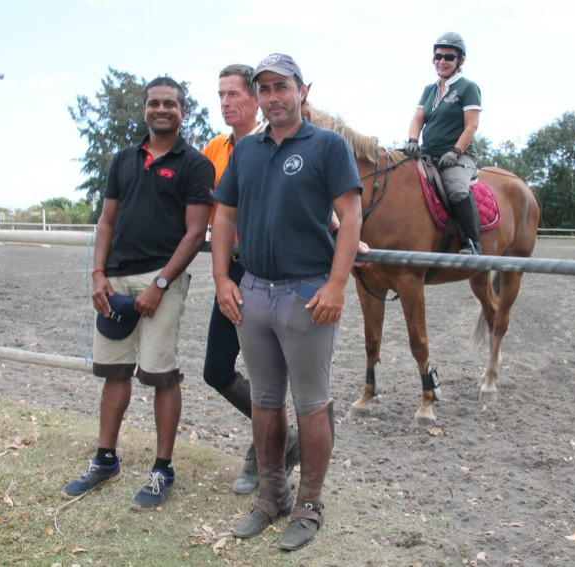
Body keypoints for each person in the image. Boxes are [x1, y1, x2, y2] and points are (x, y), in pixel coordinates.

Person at [211, 53, 362, 551]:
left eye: (283, 86)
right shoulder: (247, 152)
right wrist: (221, 280)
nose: (274, 96)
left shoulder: (328, 146)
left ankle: (310, 503)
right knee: (264, 401)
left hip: (306, 295)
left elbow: (351, 216)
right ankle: (270, 495)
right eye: (266, 88)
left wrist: (337, 285)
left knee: (312, 405)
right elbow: (225, 217)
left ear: (303, 90)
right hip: (253, 291)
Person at [61, 77, 215, 511]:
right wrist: (97, 274)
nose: (161, 110)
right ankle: (105, 459)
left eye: (170, 104)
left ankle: (162, 468)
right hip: (114, 280)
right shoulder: (123, 160)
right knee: (114, 371)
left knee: (160, 374)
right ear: (144, 109)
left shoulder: (195, 164)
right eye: (154, 103)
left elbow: (194, 233)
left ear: (183, 112)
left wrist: (161, 284)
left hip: (160, 279)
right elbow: (106, 222)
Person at [201, 64, 300, 495]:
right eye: (220, 95)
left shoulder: (275, 144)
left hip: (270, 269)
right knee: (216, 368)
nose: (226, 103)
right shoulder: (214, 150)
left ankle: (262, 455)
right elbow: (210, 212)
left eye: (234, 95)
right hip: (233, 268)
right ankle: (284, 439)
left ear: (255, 99)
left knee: (269, 374)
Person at [403, 31, 483, 254]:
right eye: (438, 56)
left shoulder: (468, 88)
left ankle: (472, 242)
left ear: (460, 60)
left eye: (449, 57)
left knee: (456, 190)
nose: (442, 61)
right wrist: (412, 141)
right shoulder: (429, 90)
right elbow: (418, 118)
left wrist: (456, 152)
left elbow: (471, 126)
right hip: (428, 155)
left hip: (459, 157)